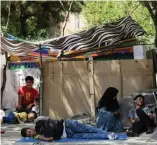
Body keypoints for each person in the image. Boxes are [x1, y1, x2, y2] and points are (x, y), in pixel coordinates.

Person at [21, 119, 118, 142]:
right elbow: (43, 138)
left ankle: (109, 133)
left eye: (29, 132)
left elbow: (49, 119)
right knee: (89, 136)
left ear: (30, 128)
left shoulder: (38, 123)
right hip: (68, 135)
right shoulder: (37, 136)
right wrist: (47, 139)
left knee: (90, 129)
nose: (31, 134)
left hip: (67, 125)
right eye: (29, 135)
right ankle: (108, 136)